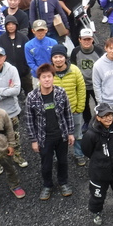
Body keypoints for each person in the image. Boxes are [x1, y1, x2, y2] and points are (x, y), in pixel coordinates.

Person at [25, 63, 75, 200]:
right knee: (46, 164)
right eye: (43, 77)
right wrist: (33, 140)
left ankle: (63, 182)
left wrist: (70, 132)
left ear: (53, 78)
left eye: (49, 76)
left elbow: (68, 113)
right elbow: (29, 121)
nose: (47, 79)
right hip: (43, 137)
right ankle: (47, 185)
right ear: (39, 79)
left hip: (61, 135)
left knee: (63, 161)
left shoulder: (61, 92)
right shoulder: (31, 97)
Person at [81, 103, 113, 226]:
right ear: (98, 117)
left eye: (110, 115)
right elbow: (86, 150)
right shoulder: (91, 134)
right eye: (104, 116)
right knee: (97, 194)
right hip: (99, 172)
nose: (108, 118)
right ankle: (96, 212)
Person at [50, 44, 86, 166]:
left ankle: (79, 154)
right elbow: (42, 91)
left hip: (74, 110)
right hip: (55, 113)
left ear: (65, 57)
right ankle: (57, 156)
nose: (58, 59)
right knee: (56, 136)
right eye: (55, 57)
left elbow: (81, 89)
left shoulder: (75, 70)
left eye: (61, 56)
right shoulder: (48, 73)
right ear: (52, 59)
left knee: (77, 134)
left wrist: (79, 108)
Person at [71, 28, 104, 131]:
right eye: (84, 39)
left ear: (92, 39)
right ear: (79, 39)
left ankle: (101, 121)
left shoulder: (99, 51)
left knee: (100, 104)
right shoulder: (75, 51)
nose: (87, 41)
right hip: (82, 85)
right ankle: (87, 122)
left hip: (96, 84)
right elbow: (73, 67)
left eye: (89, 39)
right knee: (84, 106)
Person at [0, 15, 32, 96]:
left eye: (13, 24)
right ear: (5, 26)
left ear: (16, 25)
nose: (10, 26)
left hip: (24, 73)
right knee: (12, 96)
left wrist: (27, 67)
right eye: (8, 24)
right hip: (8, 75)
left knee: (30, 93)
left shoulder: (23, 38)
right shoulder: (0, 40)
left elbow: (29, 54)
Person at [25, 19, 58, 85]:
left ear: (46, 30)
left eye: (42, 30)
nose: (40, 33)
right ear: (33, 31)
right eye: (38, 31)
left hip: (52, 74)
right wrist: (40, 71)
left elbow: (56, 58)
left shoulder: (53, 43)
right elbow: (30, 62)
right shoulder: (28, 45)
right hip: (36, 75)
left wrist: (50, 70)